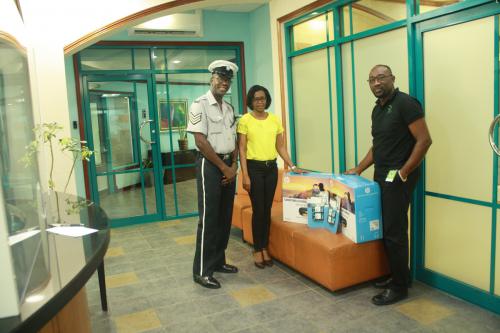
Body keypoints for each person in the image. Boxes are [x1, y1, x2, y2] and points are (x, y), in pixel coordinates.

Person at [346, 64, 432, 305]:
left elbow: (424, 141)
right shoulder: (378, 109)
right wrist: (359, 168)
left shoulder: (406, 104)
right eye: (372, 79)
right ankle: (397, 276)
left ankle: (399, 288)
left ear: (392, 78)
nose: (376, 83)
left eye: (381, 78)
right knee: (386, 228)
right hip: (381, 175)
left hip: (398, 176)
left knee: (394, 232)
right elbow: (378, 146)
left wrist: (404, 172)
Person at [237, 85, 305, 268]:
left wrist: (293, 165)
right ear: (251, 101)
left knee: (266, 210)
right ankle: (257, 249)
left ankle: (264, 247)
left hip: (271, 169)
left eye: (263, 98)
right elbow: (242, 150)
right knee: (258, 210)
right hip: (254, 169)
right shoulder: (245, 120)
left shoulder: (274, 120)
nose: (260, 102)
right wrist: (245, 175)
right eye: (256, 99)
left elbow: (280, 147)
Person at [187, 60, 240, 289]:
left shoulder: (228, 108)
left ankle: (218, 261)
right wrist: (224, 167)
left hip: (228, 165)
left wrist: (234, 164)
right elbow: (200, 141)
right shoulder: (199, 105)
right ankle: (202, 271)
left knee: (224, 218)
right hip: (210, 165)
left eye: (227, 80)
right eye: (220, 78)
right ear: (212, 79)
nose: (223, 83)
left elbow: (234, 139)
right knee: (209, 220)